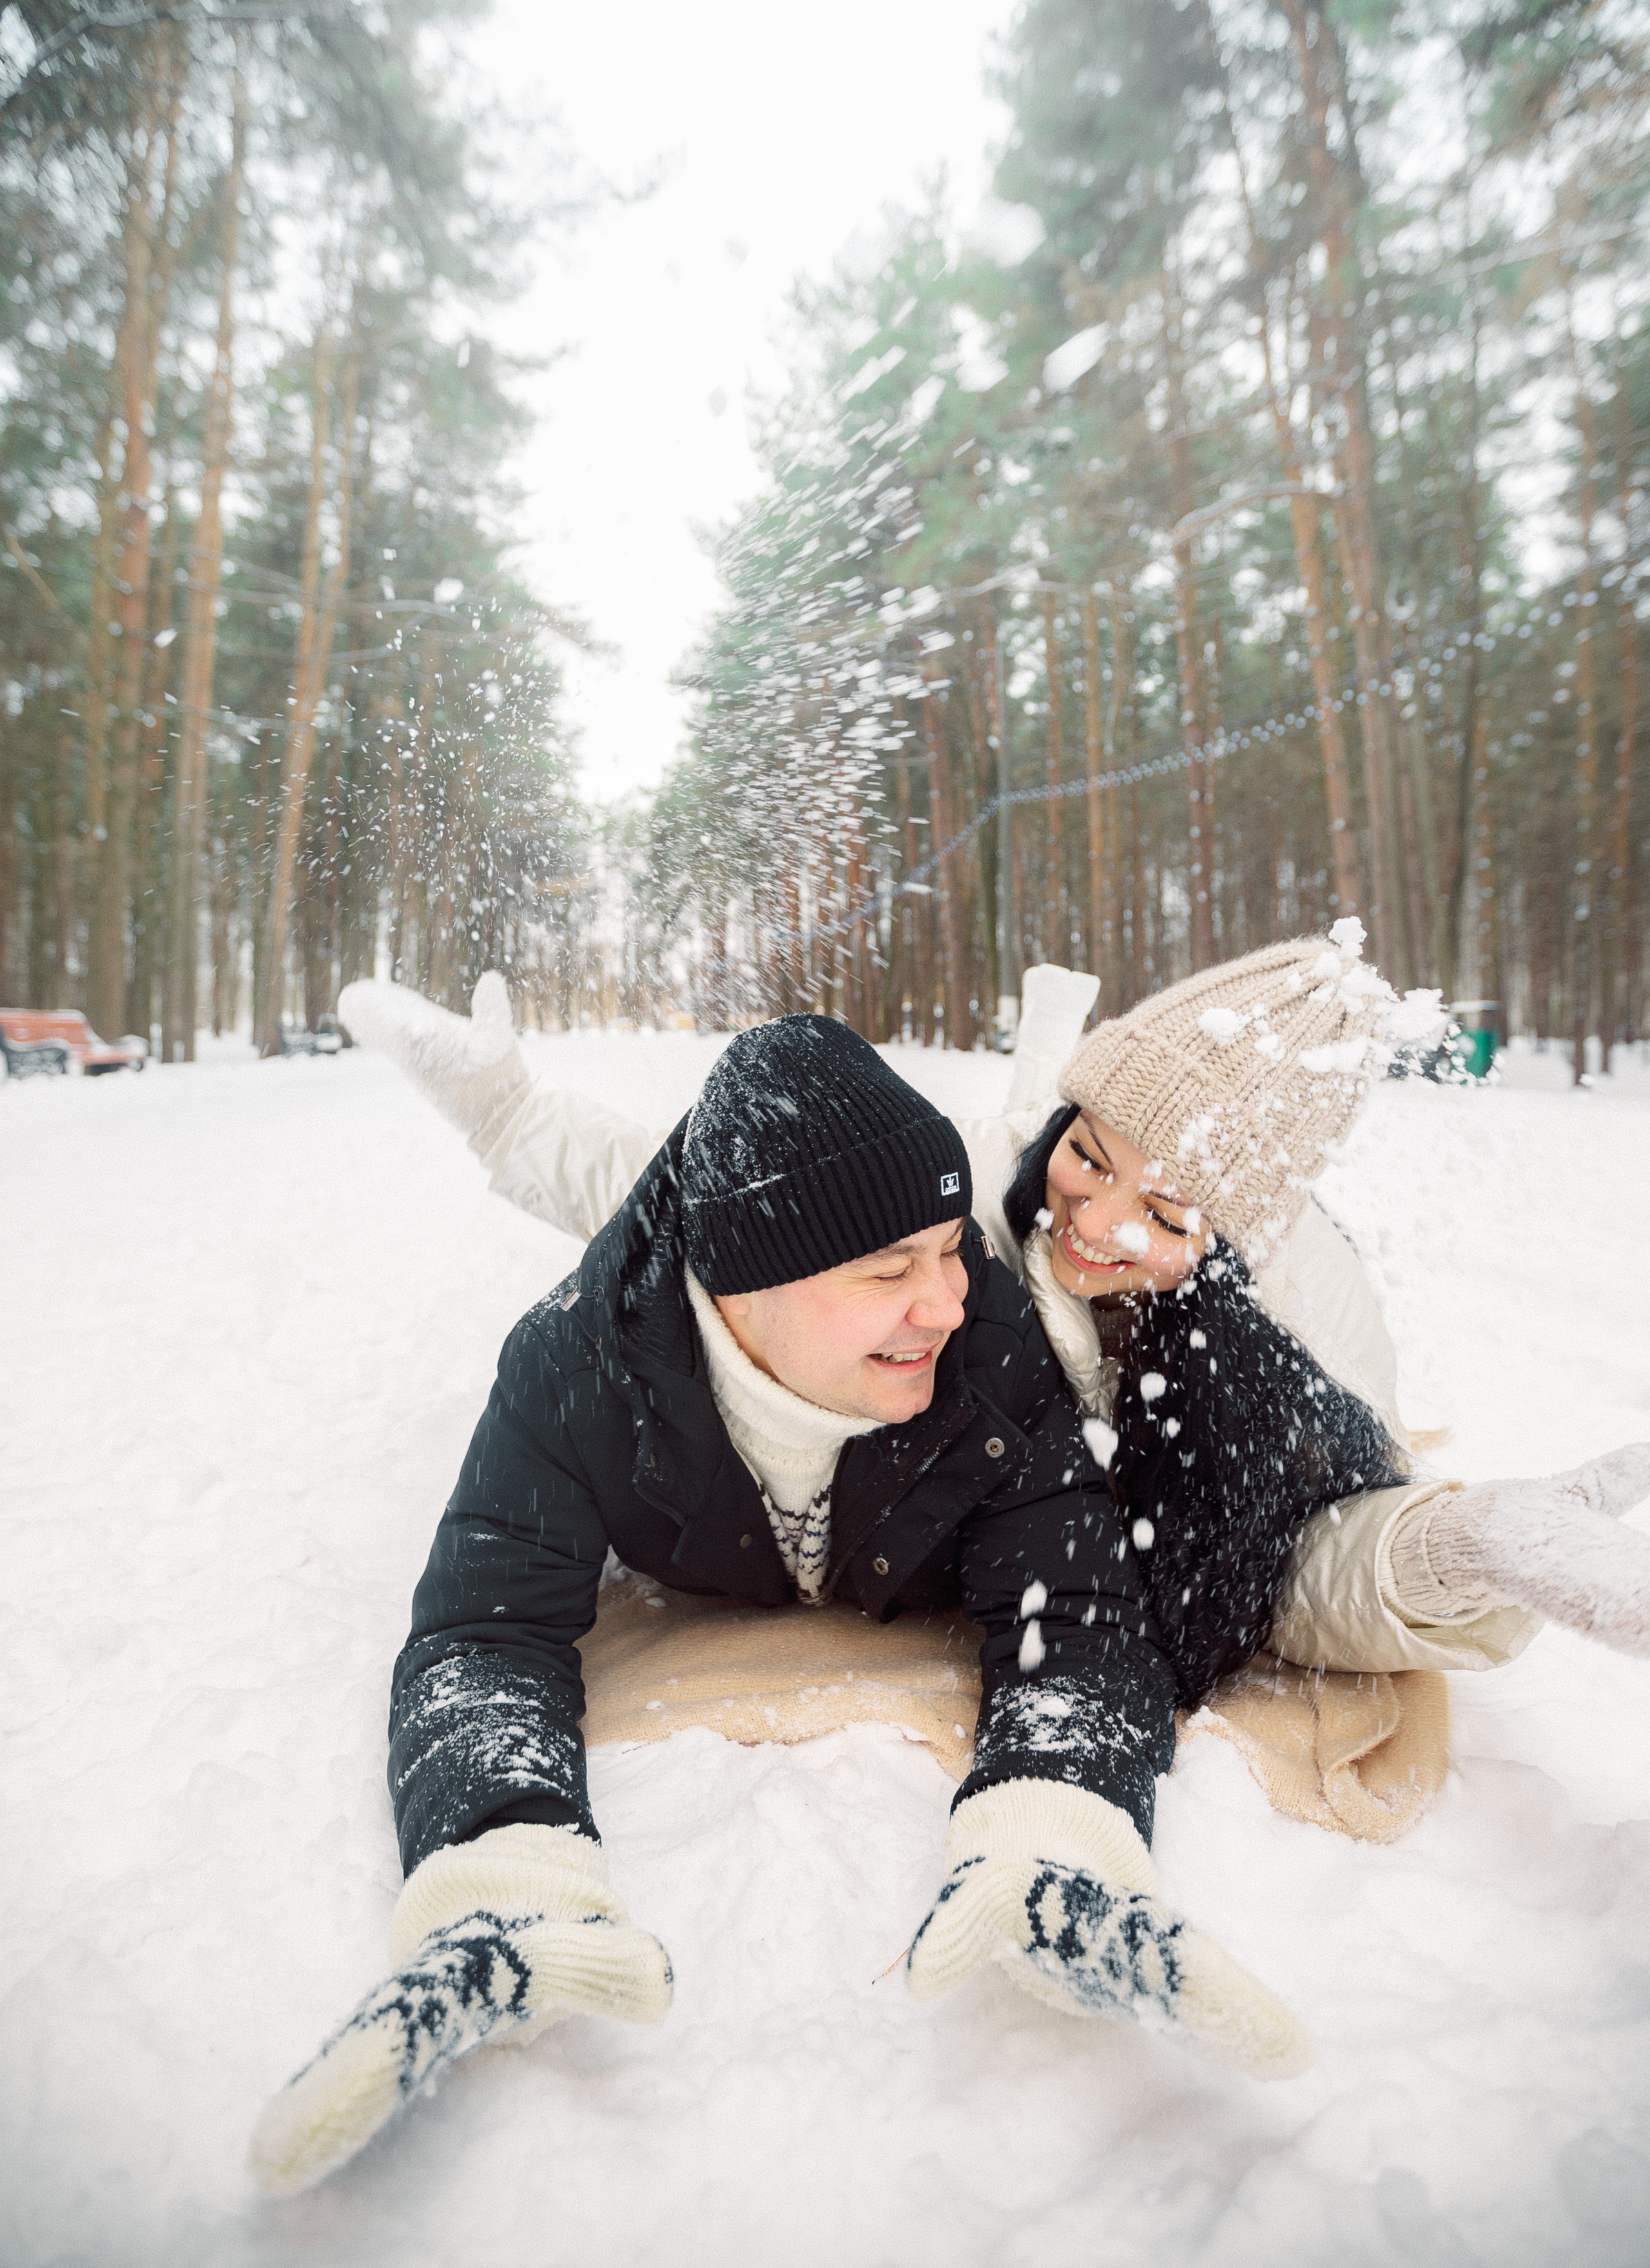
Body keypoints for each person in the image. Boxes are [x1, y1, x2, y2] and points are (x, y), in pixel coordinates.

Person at [251, 1015, 1308, 2200]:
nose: (946, 1302)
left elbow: (1075, 1613)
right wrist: (502, 1861)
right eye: (888, 1271)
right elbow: (486, 1631)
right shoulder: (572, 1372)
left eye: (952, 1249)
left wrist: (1062, 1821)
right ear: (741, 1288)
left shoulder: (993, 1342)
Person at [335, 937, 1650, 1692]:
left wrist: (1460, 1549)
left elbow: (1293, 1566)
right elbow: (715, 1212)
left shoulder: (1307, 1338)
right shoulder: (973, 1179)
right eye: (1091, 1153)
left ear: (1233, 1243)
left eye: (1169, 1213)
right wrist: (506, 1115)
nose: (1094, 1221)